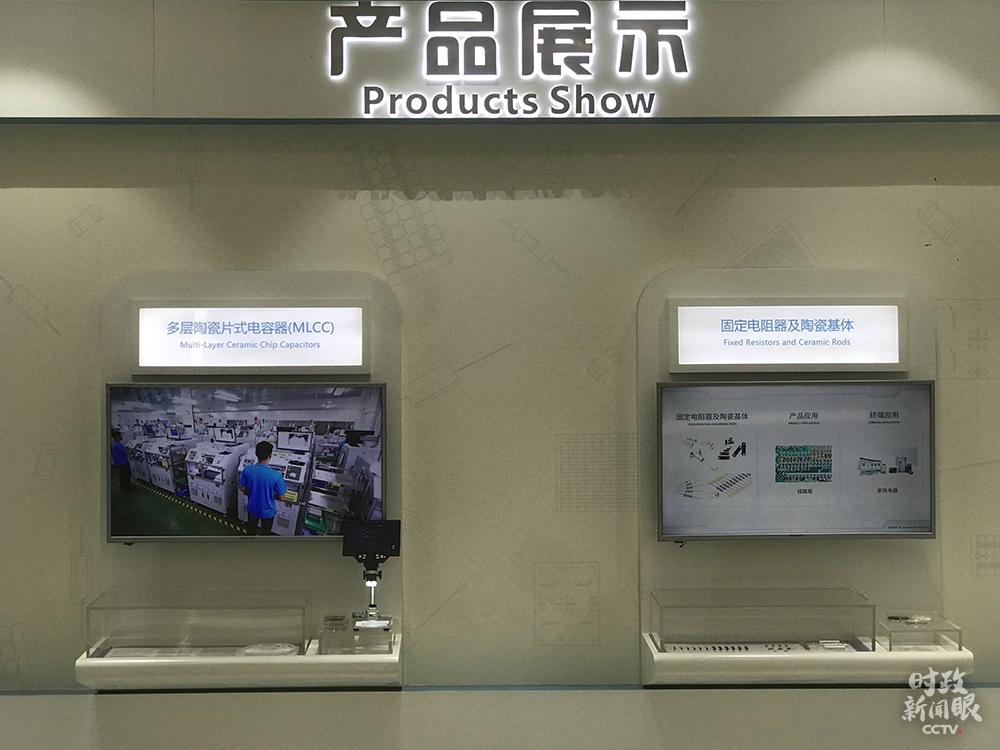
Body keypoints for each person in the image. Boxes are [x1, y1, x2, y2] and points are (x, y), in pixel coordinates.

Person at [240, 441, 287, 535]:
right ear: (270, 455)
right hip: (268, 511)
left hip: (252, 508)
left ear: (256, 454)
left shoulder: (247, 469)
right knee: (265, 533)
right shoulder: (276, 475)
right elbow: (282, 497)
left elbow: (242, 488)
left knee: (251, 531)